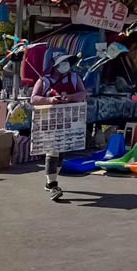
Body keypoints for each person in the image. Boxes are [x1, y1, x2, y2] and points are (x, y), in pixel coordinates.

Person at [31, 53, 87, 201]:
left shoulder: (75, 78)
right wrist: (49, 99)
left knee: (62, 150)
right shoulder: (44, 81)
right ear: (55, 65)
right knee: (52, 150)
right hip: (50, 120)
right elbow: (34, 98)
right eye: (63, 62)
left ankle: (50, 182)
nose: (66, 65)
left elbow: (82, 94)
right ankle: (53, 184)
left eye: (67, 62)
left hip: (69, 120)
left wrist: (70, 98)